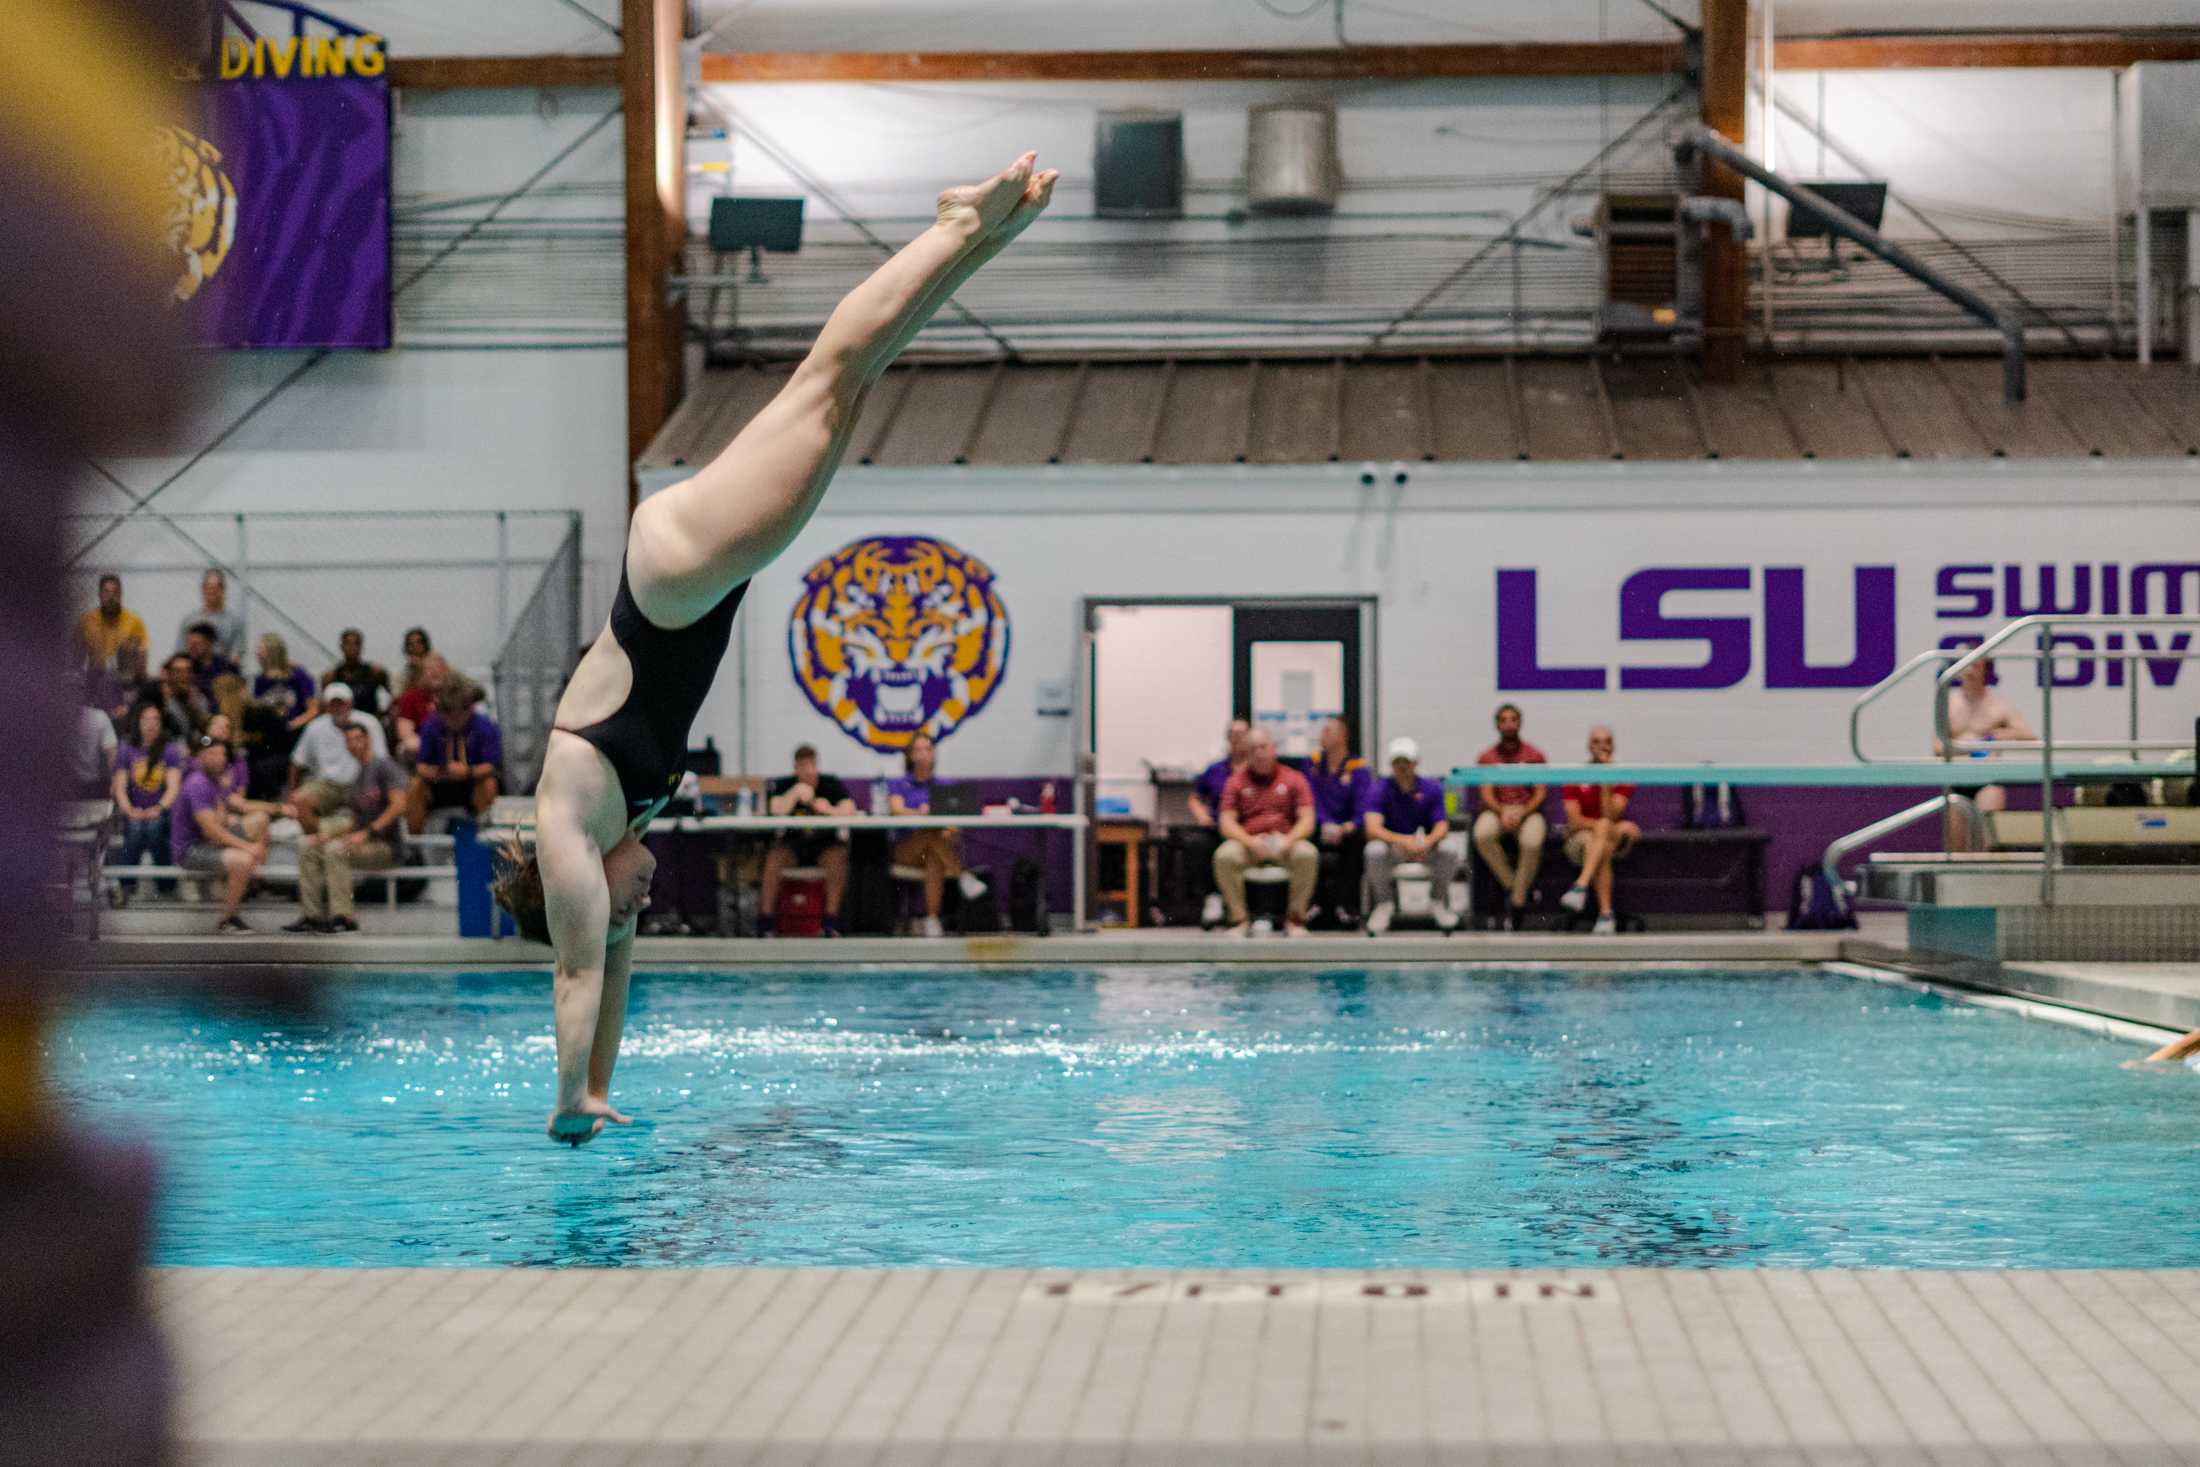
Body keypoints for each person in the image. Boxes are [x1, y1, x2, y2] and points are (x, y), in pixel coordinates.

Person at [489, 152, 1057, 1146]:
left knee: (824, 383)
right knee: (848, 390)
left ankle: (958, 227)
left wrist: (566, 1100)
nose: (643, 897)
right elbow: (613, 960)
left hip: (674, 577)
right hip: (695, 581)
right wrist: (601, 1087)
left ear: (569, 895)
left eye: (622, 903)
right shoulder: (606, 850)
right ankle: (978, 241)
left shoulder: (568, 834)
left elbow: (578, 968)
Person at [285, 721, 409, 935]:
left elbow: (399, 805)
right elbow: (355, 820)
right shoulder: (359, 776)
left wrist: (369, 833)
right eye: (348, 741)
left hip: (386, 845)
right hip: (365, 840)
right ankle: (311, 916)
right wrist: (327, 834)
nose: (353, 744)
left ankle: (344, 917)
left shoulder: (384, 766)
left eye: (357, 739)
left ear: (367, 739)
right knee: (309, 847)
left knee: (336, 850)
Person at [1213, 729, 1318, 937]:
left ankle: (1295, 919)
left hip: (1285, 842)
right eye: (1253, 749)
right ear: (1247, 753)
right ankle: (1239, 920)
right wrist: (1249, 841)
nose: (1259, 754)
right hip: (1250, 843)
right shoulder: (1236, 781)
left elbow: (1307, 819)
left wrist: (1289, 840)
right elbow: (1226, 822)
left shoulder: (1294, 778)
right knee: (1224, 856)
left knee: (1307, 853)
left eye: (1263, 747)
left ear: (1274, 749)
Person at [172, 734, 271, 935]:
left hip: (208, 841)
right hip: (191, 850)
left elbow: (231, 812)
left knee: (260, 819)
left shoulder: (215, 780)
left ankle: (253, 874)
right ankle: (228, 919)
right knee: (243, 859)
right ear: (200, 757)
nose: (220, 758)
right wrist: (248, 847)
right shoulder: (197, 783)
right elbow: (212, 830)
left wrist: (278, 808)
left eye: (222, 753)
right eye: (213, 754)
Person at [1936, 655, 2035, 852]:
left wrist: (2001, 734)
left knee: (1987, 844)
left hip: (1988, 780)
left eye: (1975, 665)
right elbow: (1937, 747)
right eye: (1965, 665)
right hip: (1956, 781)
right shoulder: (1948, 704)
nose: (1969, 671)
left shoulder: (1998, 705)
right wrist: (1965, 745)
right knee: (1956, 850)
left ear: (1985, 670)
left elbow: (2030, 736)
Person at [1362, 736, 1459, 935]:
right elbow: (1372, 828)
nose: (1402, 767)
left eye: (1406, 762)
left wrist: (1427, 842)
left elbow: (1441, 826)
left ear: (1416, 763)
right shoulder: (1380, 789)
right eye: (1397, 762)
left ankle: (1437, 901)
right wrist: (1403, 841)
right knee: (1374, 850)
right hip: (1394, 848)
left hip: (1423, 847)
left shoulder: (1431, 787)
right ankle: (1384, 904)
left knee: (1449, 849)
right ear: (1391, 764)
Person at [760, 744, 859, 936]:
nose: (808, 770)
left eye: (811, 765)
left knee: (838, 857)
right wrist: (795, 792)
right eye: (802, 766)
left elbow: (850, 809)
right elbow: (774, 810)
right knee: (774, 857)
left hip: (823, 846)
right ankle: (766, 922)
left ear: (817, 766)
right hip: (794, 846)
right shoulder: (785, 785)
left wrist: (826, 808)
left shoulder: (830, 783)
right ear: (795, 769)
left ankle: (831, 923)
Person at [889, 730, 978, 937]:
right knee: (930, 831)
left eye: (927, 749)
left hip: (935, 850)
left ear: (934, 754)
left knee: (934, 857)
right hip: (906, 849)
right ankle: (962, 875)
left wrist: (947, 831)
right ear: (910, 755)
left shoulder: (946, 786)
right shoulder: (899, 784)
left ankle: (931, 919)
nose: (922, 754)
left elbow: (955, 823)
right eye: (917, 749)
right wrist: (920, 813)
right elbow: (896, 809)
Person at [1472, 702, 1549, 930]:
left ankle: (1516, 900)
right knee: (1482, 834)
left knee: (1531, 841)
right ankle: (1517, 890)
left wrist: (1522, 812)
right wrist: (1502, 811)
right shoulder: (1487, 757)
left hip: (1528, 810)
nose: (1508, 725)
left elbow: (1540, 792)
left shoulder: (1534, 755)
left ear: (1519, 723)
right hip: (1497, 809)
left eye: (1512, 720)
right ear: (1497, 725)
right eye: (1503, 720)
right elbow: (1486, 794)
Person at [1558, 725, 1641, 935]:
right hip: (1580, 840)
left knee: (1602, 835)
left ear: (1613, 746)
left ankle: (1580, 887)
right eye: (1596, 742)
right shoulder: (1575, 776)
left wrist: (1605, 781)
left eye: (1607, 742)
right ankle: (1605, 915)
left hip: (1609, 840)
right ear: (1588, 746)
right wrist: (1613, 826)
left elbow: (1610, 813)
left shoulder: (1623, 777)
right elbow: (1575, 822)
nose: (1601, 746)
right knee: (1600, 836)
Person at [288, 685, 390, 831]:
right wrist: (292, 793)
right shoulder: (315, 727)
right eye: (333, 703)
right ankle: (320, 834)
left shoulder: (369, 722)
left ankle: (332, 833)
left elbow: (380, 760)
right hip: (328, 784)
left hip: (360, 782)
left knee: (366, 809)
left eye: (342, 703)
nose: (338, 708)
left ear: (350, 703)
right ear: (327, 706)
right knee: (299, 800)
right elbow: (297, 761)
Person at [109, 703, 182, 904]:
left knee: (153, 827)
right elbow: (120, 786)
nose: (151, 724)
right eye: (146, 719)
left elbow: (173, 787)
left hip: (161, 810)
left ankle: (164, 886)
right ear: (138, 722)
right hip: (133, 809)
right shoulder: (126, 749)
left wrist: (158, 808)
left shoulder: (169, 750)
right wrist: (128, 809)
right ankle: (127, 886)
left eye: (155, 719)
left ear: (161, 723)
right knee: (134, 827)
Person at [1182, 718, 1252, 928]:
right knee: (1197, 844)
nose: (1239, 741)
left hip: (1249, 829)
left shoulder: (1259, 769)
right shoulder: (1215, 770)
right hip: (1218, 827)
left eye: (1243, 735)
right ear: (1228, 740)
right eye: (1234, 736)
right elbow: (1195, 798)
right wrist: (1202, 816)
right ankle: (1213, 899)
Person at [1304, 716, 1370, 930]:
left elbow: (1363, 805)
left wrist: (1349, 825)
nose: (1322, 735)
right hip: (1319, 826)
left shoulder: (1358, 767)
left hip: (1347, 829)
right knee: (1305, 836)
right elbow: (1308, 800)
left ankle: (1347, 906)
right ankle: (1312, 904)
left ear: (1342, 736)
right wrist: (1323, 824)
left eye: (1328, 731)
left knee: (1357, 840)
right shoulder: (1312, 764)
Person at [408, 686, 502, 831]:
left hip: (472, 782)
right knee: (415, 786)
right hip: (439, 781)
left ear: (468, 710)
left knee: (489, 784)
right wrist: (442, 772)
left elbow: (490, 766)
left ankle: (485, 832)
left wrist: (467, 772)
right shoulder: (431, 726)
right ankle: (416, 842)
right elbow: (421, 766)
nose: (453, 722)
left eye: (457, 717)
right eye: (448, 717)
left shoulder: (484, 726)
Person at [76, 574, 147, 672]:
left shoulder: (134, 622)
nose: (111, 597)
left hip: (125, 680)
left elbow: (142, 657)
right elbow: (76, 658)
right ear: (99, 594)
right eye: (106, 592)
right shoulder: (87, 621)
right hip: (94, 679)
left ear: (121, 595)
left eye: (115, 592)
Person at [391, 651, 452, 764]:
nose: (434, 672)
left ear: (447, 671)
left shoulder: (457, 695)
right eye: (429, 669)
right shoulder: (410, 697)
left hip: (455, 743)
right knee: (405, 747)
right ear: (422, 675)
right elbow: (405, 733)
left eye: (439, 667)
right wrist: (433, 745)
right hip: (423, 745)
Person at [174, 568, 245, 663]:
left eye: (216, 588)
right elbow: (180, 653)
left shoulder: (234, 622)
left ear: (223, 590)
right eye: (208, 587)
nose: (212, 591)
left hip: (223, 673)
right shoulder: (190, 620)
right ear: (202, 589)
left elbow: (237, 654)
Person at [324, 628, 392, 720]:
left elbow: (392, 698)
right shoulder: (331, 676)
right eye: (348, 644)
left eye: (356, 644)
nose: (352, 648)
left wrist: (381, 716)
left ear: (361, 647)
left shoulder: (375, 672)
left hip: (369, 722)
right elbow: (324, 705)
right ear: (341, 647)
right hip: (342, 723)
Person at [71, 679, 118, 800]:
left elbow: (112, 755)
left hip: (90, 785)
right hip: (72, 786)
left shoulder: (99, 717)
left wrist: (115, 783)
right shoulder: (99, 717)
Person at [152, 654, 212, 739]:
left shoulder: (200, 701)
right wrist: (166, 703)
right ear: (168, 675)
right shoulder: (156, 699)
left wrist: (196, 710)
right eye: (178, 671)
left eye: (188, 671)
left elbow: (207, 738)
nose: (184, 675)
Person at [180, 621, 240, 701]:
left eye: (196, 644)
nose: (191, 648)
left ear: (210, 643)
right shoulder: (185, 667)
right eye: (189, 644)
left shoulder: (227, 667)